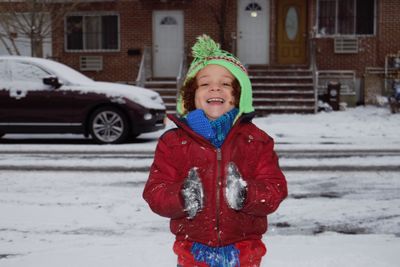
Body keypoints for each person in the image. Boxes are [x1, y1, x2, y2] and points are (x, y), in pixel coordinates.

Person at [143, 34, 287, 267]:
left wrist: (247, 194)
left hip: (244, 252)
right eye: (205, 83)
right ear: (191, 94)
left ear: (239, 94)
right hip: (193, 251)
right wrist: (182, 196)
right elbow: (155, 191)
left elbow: (275, 189)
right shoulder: (173, 142)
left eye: (226, 83)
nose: (215, 88)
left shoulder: (256, 141)